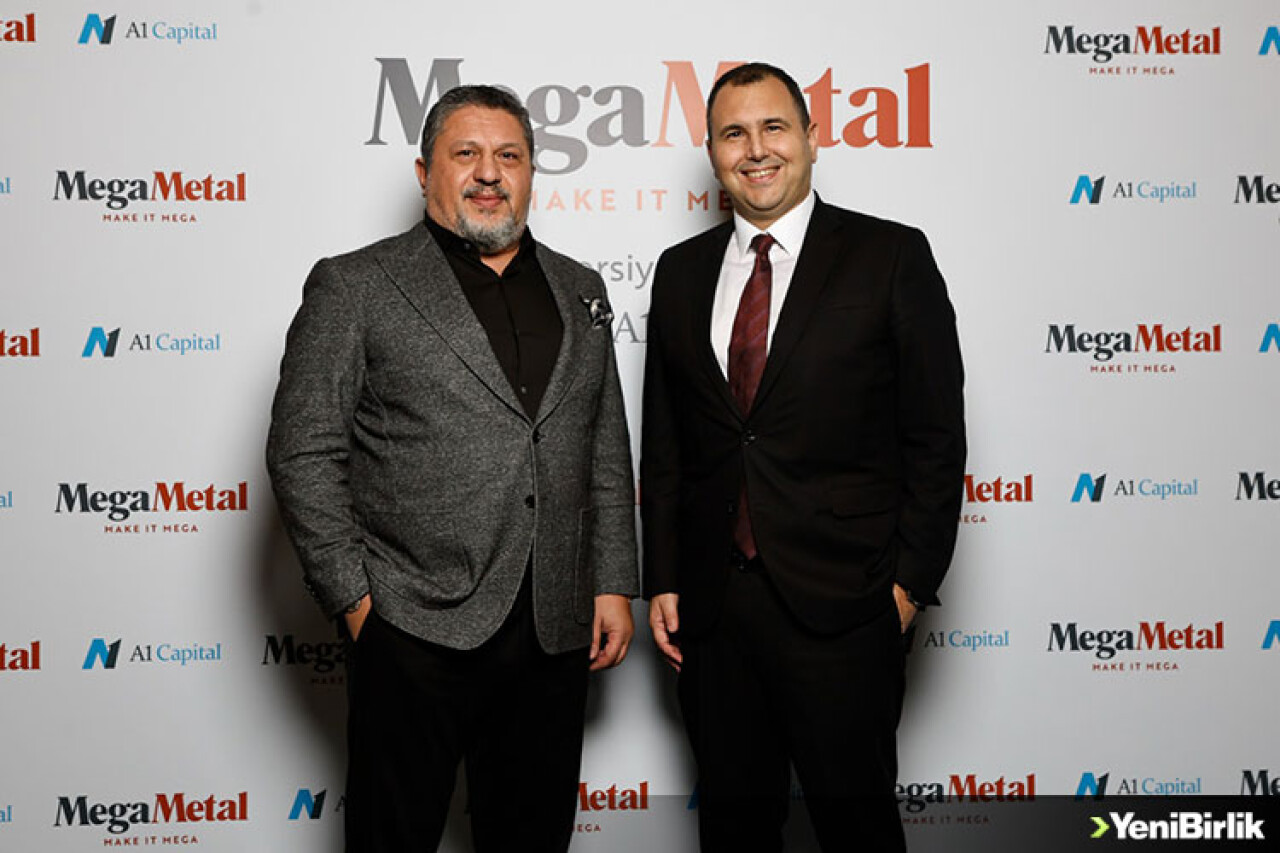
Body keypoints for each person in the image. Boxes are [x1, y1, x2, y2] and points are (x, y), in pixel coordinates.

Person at [266, 84, 638, 853]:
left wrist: (610, 580)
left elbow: (602, 441)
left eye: (509, 155)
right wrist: (357, 602)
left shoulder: (581, 289)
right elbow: (304, 448)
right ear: (423, 172)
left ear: (531, 171)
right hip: (412, 621)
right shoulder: (356, 284)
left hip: (552, 625)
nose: (489, 172)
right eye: (465, 153)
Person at [641, 63, 965, 852]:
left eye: (774, 127)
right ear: (713, 154)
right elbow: (668, 441)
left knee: (857, 829)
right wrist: (666, 577)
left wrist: (906, 587)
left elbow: (935, 436)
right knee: (734, 830)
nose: (756, 149)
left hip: (845, 607)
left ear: (812, 139)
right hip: (715, 614)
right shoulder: (680, 271)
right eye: (734, 133)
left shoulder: (890, 255)